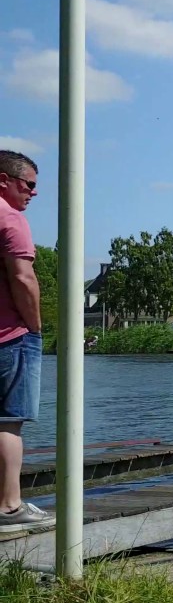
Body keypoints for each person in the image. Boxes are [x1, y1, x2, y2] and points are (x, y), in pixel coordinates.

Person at [0, 150, 50, 533]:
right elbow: (23, 279)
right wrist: (34, 327)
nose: (33, 193)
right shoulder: (11, 219)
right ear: (5, 180)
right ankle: (9, 506)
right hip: (9, 336)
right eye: (28, 185)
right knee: (9, 420)